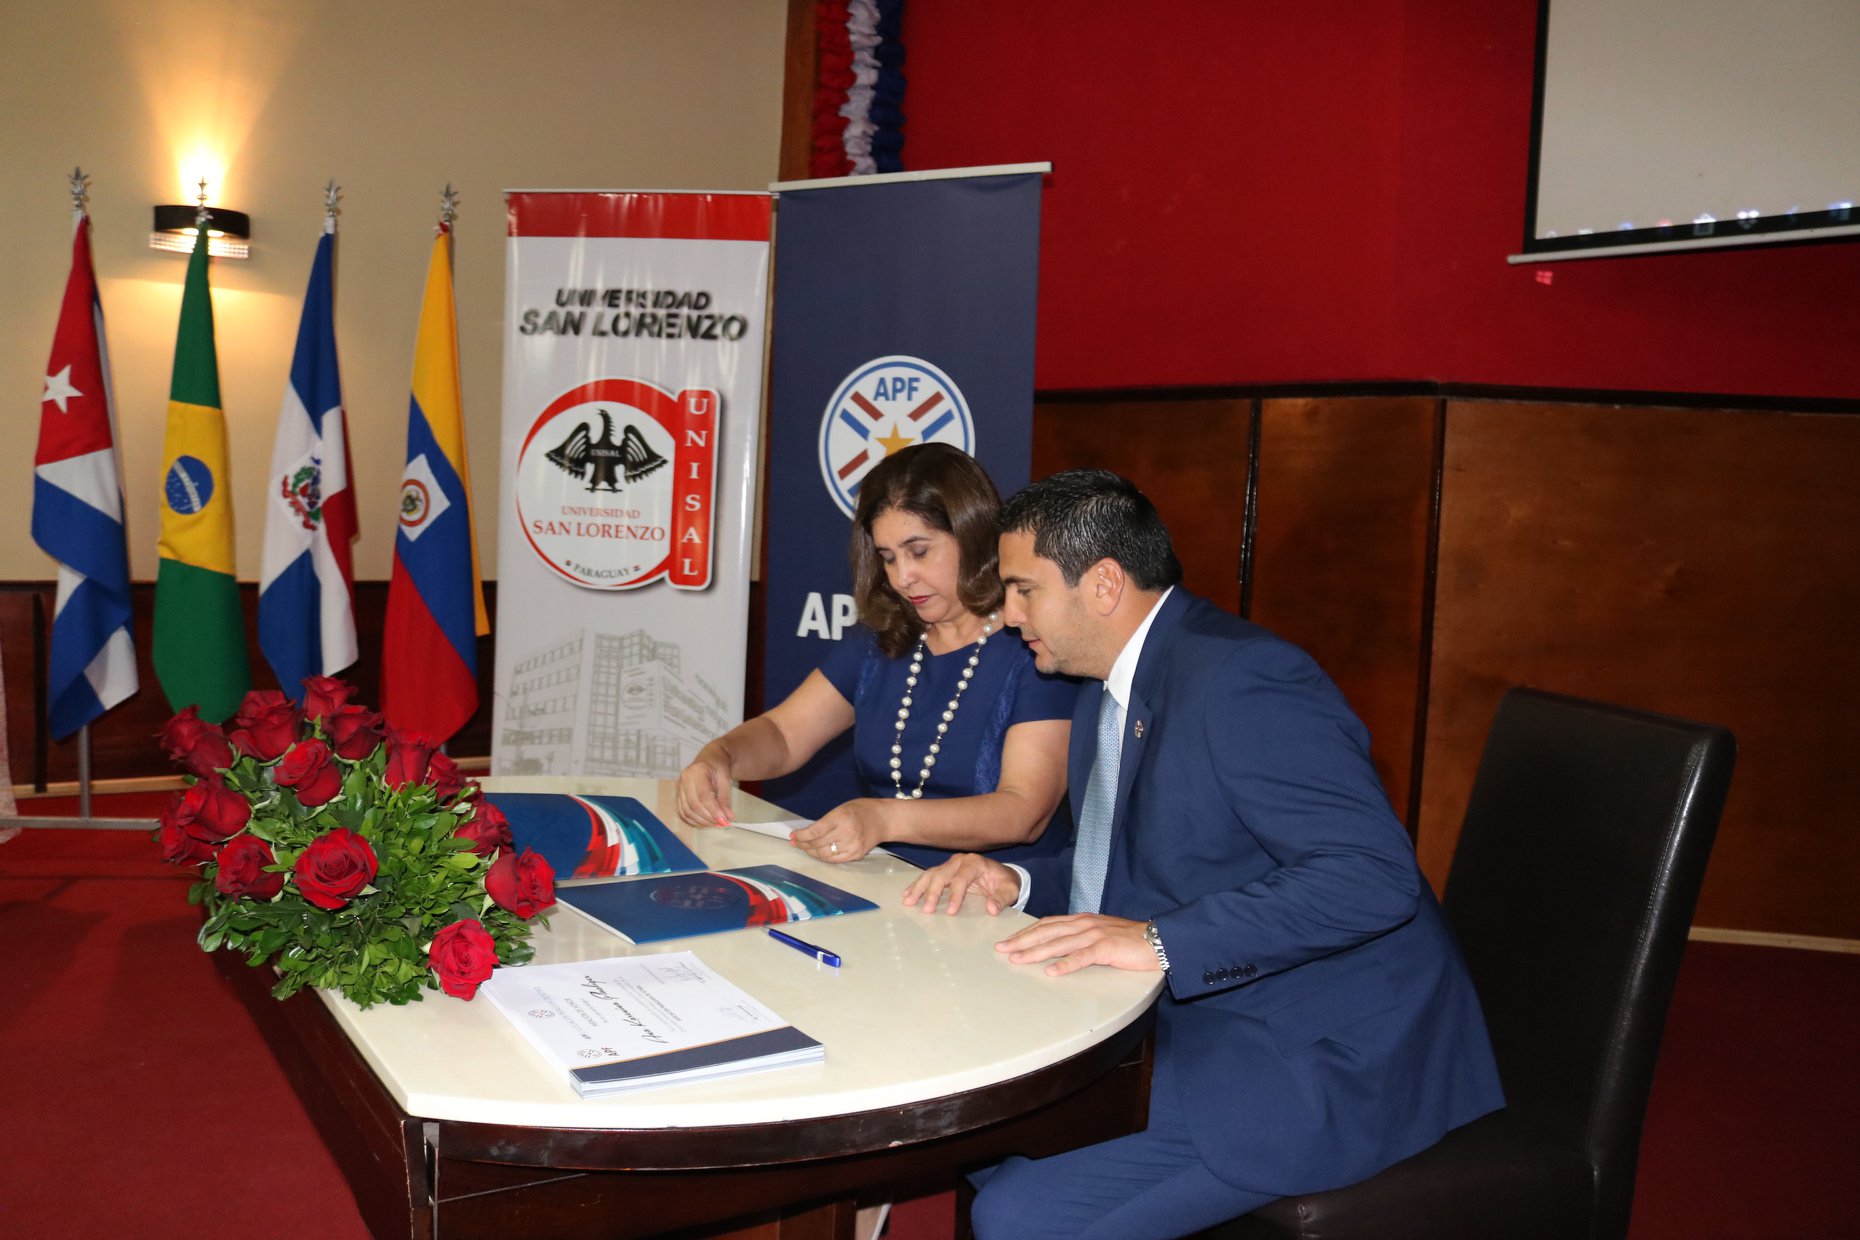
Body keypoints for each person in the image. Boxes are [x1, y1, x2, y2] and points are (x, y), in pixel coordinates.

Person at [903, 469, 1504, 1240]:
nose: (1008, 613)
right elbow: (1131, 862)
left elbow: (1372, 877)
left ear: (1104, 585)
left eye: (1024, 590)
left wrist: (1159, 941)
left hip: (1325, 1049)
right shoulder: (1104, 683)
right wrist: (1015, 879)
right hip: (1200, 1016)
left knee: (1017, 1214)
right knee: (985, 1141)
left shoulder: (1243, 679)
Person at [677, 443, 1077, 868]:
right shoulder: (882, 640)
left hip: (996, 892)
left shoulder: (1033, 647)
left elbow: (1022, 812)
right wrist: (721, 756)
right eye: (887, 558)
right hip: (886, 881)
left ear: (972, 536)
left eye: (919, 551)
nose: (902, 577)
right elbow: (783, 734)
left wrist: (883, 819)